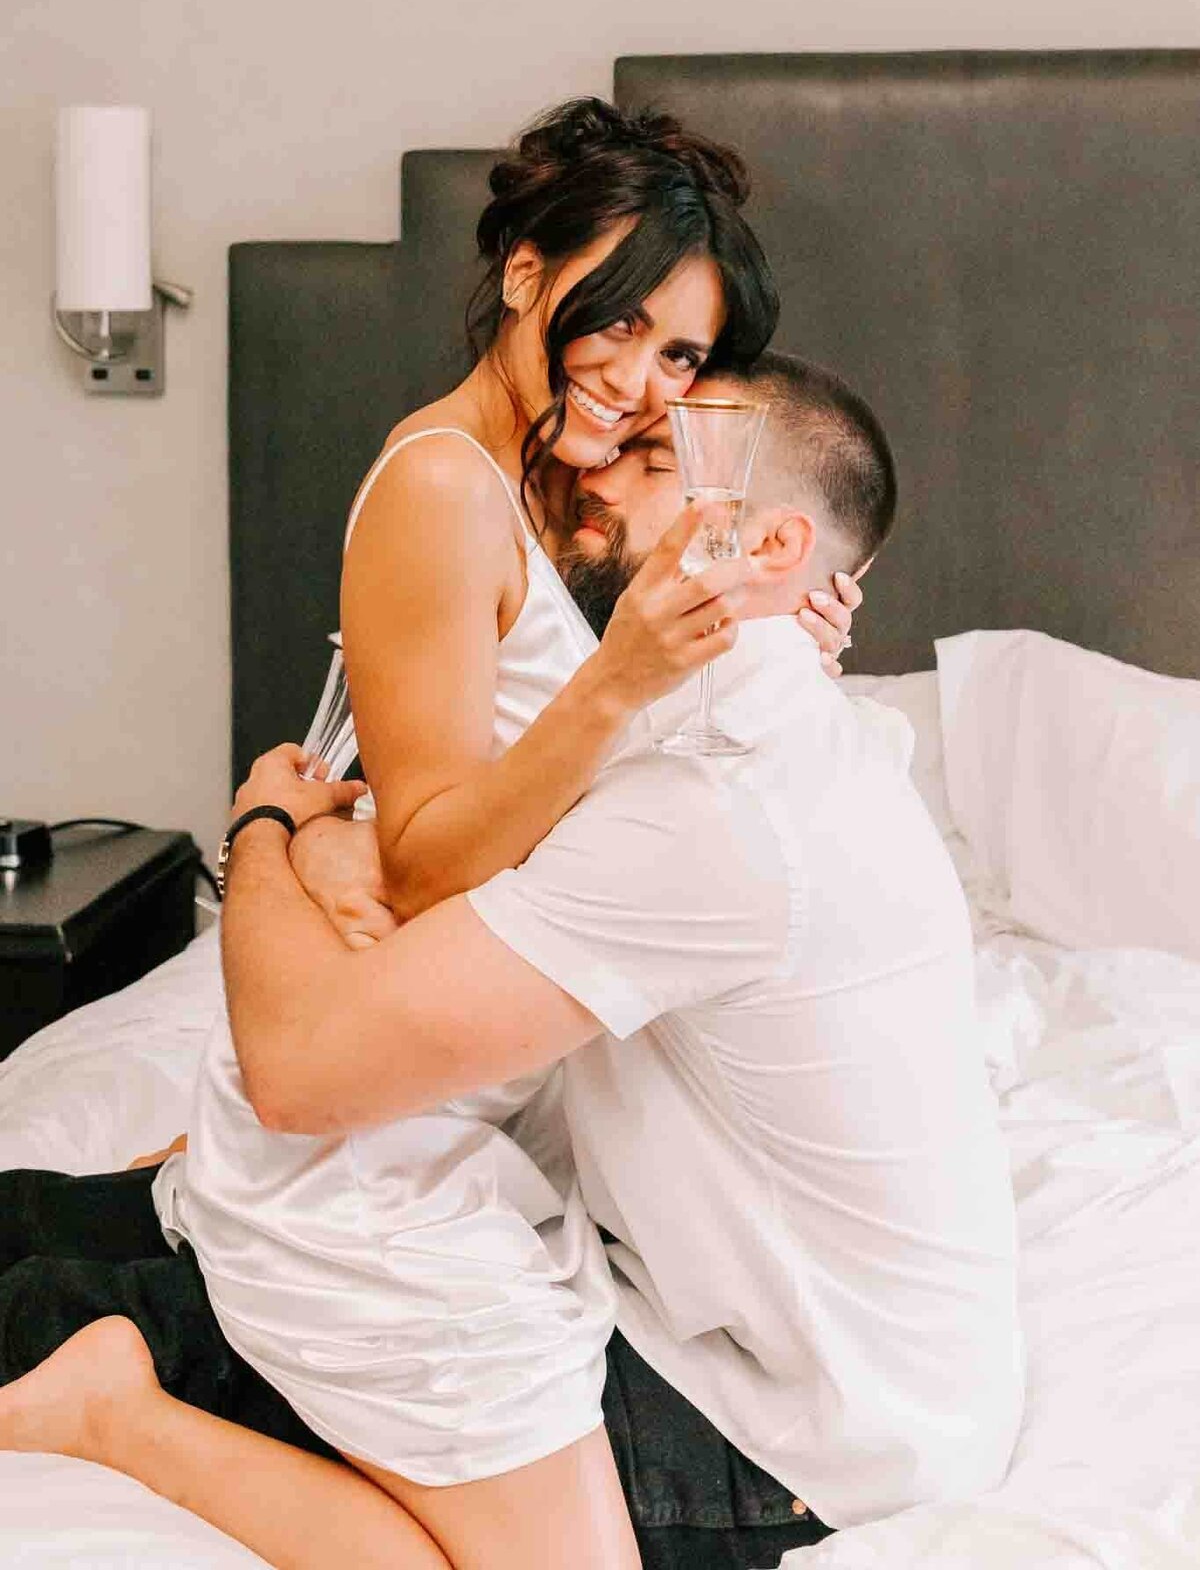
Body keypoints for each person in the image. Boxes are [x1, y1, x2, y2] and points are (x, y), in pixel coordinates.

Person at [0, 354, 1023, 1570]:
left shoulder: (727, 805)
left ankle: (117, 1412)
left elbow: (305, 1071)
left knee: (79, 1316)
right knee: (37, 1215)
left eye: (650, 464)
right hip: (791, 1346)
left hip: (782, 1441)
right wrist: (346, 848)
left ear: (774, 544)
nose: (595, 479)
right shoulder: (728, 729)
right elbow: (468, 841)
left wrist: (263, 830)